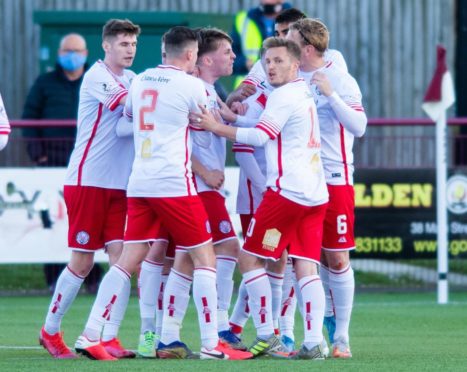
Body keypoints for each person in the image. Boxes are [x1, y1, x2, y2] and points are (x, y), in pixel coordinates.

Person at [76, 26, 252, 361]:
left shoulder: (140, 79)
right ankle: (212, 344)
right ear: (190, 55)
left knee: (129, 261)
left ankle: (89, 333)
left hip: (139, 182)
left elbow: (128, 117)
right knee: (205, 258)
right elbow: (206, 122)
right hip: (174, 183)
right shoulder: (190, 85)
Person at [195, 36, 329, 360]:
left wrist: (217, 126)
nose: (271, 66)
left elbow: (259, 135)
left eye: (279, 61)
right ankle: (313, 342)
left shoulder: (283, 95)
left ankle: (267, 333)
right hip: (314, 194)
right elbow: (262, 124)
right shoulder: (301, 93)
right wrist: (233, 117)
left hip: (287, 194)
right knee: (306, 266)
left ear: (296, 65)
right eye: (267, 61)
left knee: (249, 258)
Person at [39, 19, 140, 360]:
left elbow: (131, 124)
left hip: (118, 185)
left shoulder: (133, 80)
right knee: (82, 263)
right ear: (106, 46)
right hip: (88, 181)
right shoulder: (97, 76)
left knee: (122, 261)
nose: (129, 50)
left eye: (133, 45)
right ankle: (50, 331)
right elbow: (131, 108)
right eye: (123, 44)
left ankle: (108, 336)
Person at [288, 18, 367, 358]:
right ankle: (308, 334)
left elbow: (359, 126)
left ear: (306, 47)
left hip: (335, 179)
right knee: (301, 259)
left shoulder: (339, 77)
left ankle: (342, 337)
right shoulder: (289, 78)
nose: (284, 44)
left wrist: (331, 95)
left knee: (336, 258)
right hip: (298, 181)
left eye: (290, 39)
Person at [21, 33, 102, 293]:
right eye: (67, 51)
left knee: (88, 220)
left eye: (76, 51)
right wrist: (38, 155)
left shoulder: (96, 81)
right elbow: (29, 119)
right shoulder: (44, 83)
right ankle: (53, 276)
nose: (71, 56)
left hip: (88, 165)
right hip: (52, 163)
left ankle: (92, 277)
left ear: (86, 53)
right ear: (58, 53)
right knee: (52, 221)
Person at [189, 27, 242, 345]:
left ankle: (159, 333)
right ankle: (220, 327)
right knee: (228, 248)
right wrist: (205, 172)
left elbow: (216, 125)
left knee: (174, 259)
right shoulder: (195, 89)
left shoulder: (210, 89)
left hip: (202, 185)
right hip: (199, 185)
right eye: (226, 51)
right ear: (207, 59)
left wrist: (231, 107)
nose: (233, 56)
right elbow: (179, 139)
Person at [231, 0, 291, 76]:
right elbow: (229, 57)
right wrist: (244, 63)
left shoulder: (297, 20)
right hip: (249, 84)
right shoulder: (243, 19)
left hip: (286, 84)